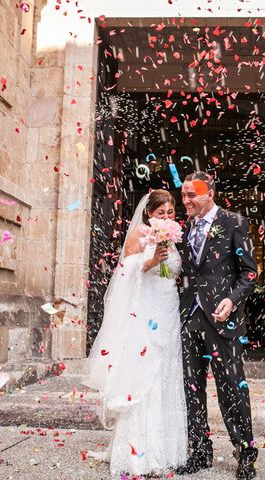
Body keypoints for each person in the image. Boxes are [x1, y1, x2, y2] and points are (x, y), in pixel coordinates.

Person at [83, 190, 187, 478]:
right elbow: (125, 271)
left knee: (164, 372)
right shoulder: (139, 234)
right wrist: (151, 262)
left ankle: (164, 450)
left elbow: (174, 271)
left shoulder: (173, 237)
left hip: (167, 309)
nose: (166, 218)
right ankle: (139, 455)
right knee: (145, 373)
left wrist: (167, 264)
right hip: (146, 311)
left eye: (169, 213)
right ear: (149, 213)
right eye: (160, 213)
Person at [176, 172, 259, 480]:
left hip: (224, 319)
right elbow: (183, 273)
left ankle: (245, 452)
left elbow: (249, 273)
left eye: (191, 195)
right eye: (183, 195)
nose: (185, 201)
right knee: (191, 387)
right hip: (190, 316)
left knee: (232, 388)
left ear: (209, 193)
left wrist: (232, 300)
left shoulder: (234, 223)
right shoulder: (181, 231)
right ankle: (200, 450)